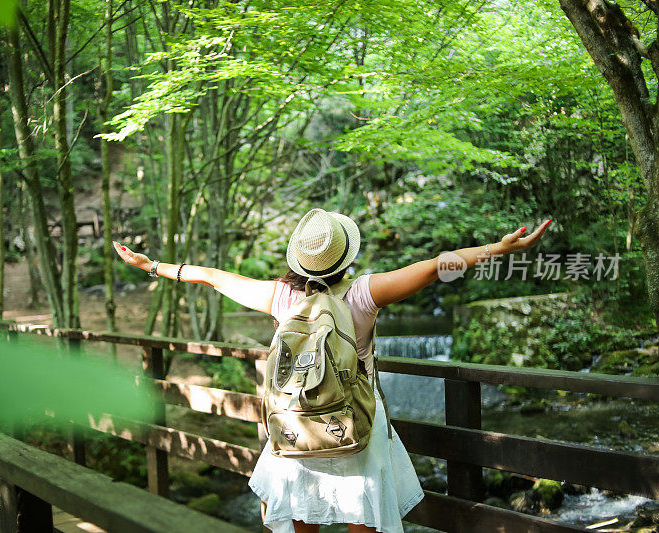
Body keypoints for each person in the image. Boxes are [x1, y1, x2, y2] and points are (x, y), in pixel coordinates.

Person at [113, 208, 552, 533]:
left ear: (299, 260)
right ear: (344, 256)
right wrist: (498, 248)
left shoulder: (281, 298)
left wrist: (151, 266)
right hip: (355, 429)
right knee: (362, 520)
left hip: (298, 429)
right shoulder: (364, 293)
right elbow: (437, 266)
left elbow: (211, 276)